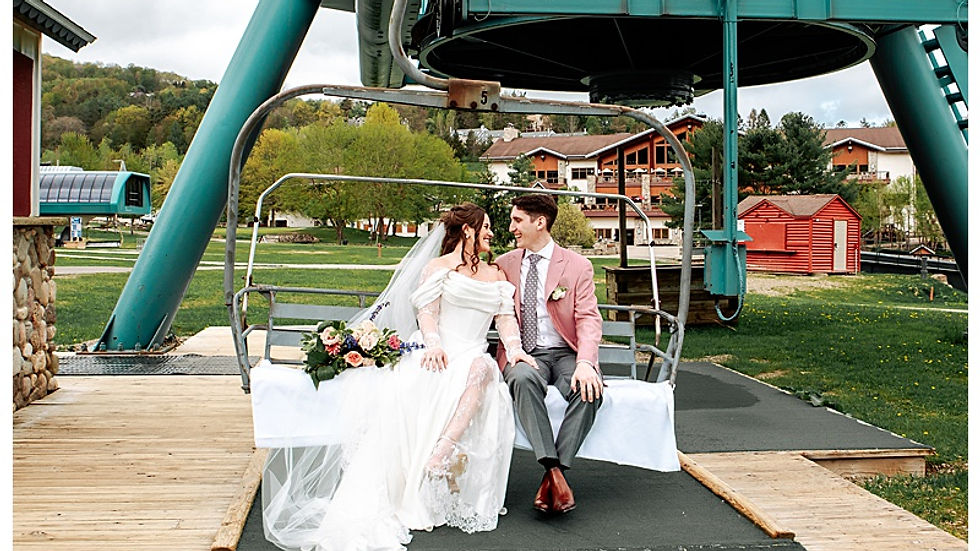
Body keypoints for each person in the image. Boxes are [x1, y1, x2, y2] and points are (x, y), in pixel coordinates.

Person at [256, 203, 535, 551]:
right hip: (440, 350)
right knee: (433, 379)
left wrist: (515, 348)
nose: (492, 233)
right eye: (486, 227)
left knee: (481, 368)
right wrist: (433, 344)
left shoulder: (496, 275)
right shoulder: (438, 269)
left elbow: (505, 319)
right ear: (468, 230)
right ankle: (424, 467)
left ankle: (442, 451)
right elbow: (427, 313)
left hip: (473, 354)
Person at [494, 194, 604, 514]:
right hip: (525, 353)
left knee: (589, 388)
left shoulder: (577, 265)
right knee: (521, 377)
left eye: (517, 220)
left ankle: (554, 474)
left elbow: (588, 318)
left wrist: (586, 363)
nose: (511, 227)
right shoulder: (504, 264)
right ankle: (554, 470)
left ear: (539, 222)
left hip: (566, 352)